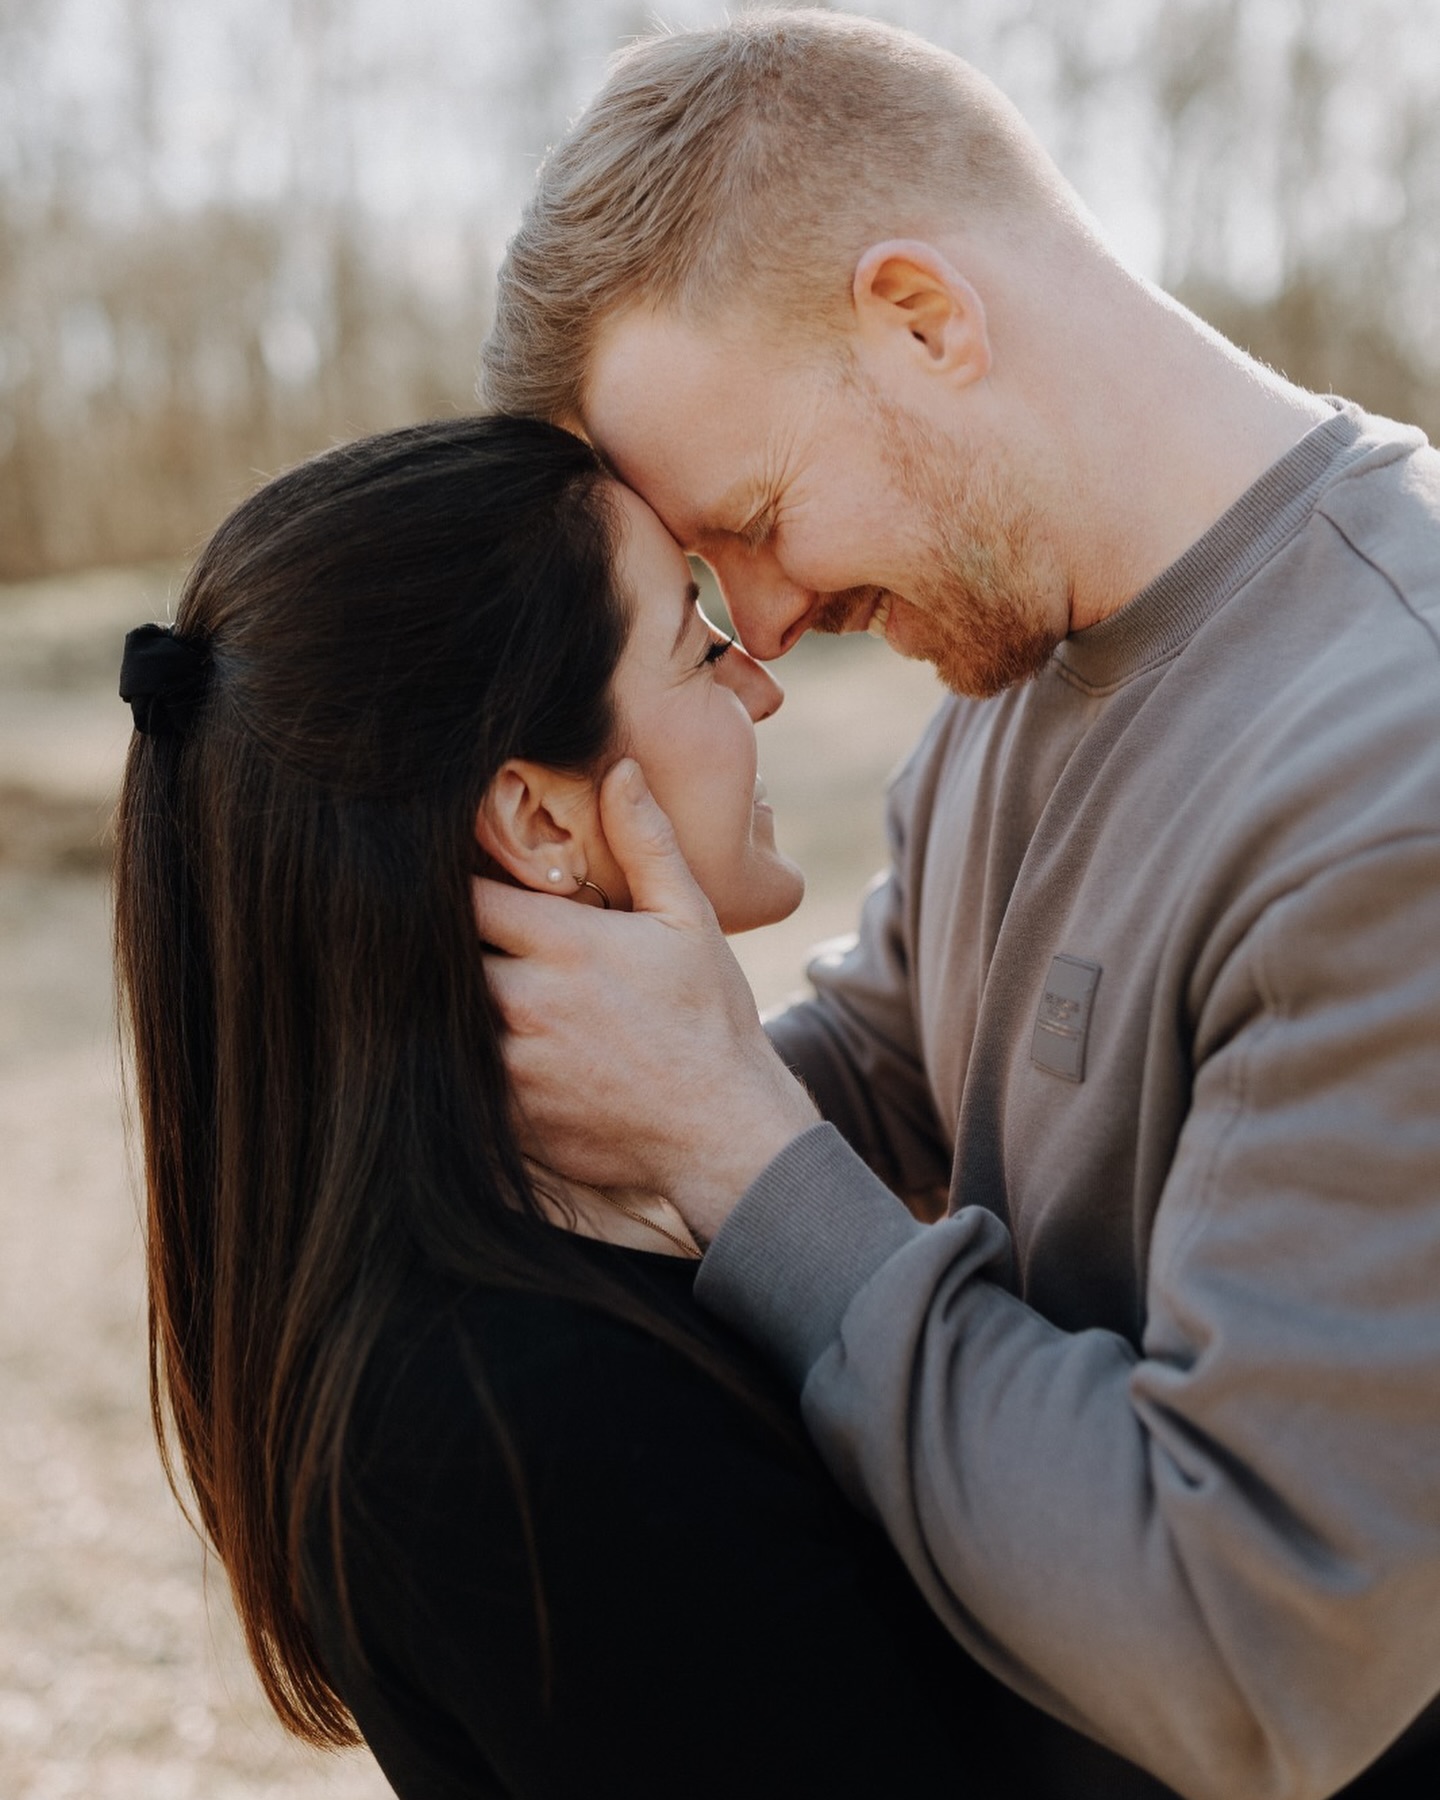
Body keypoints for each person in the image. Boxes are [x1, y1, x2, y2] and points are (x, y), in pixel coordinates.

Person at [475, 12, 1440, 1799]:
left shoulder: (1396, 769)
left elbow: (1257, 1653)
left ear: (923, 318)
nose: (761, 632)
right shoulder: (1016, 677)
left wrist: (723, 1140)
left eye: (758, 519)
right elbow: (889, 1073)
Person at [113, 415, 1036, 1799]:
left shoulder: (543, 1273)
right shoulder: (525, 1422)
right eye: (695, 647)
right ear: (542, 822)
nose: (760, 686)